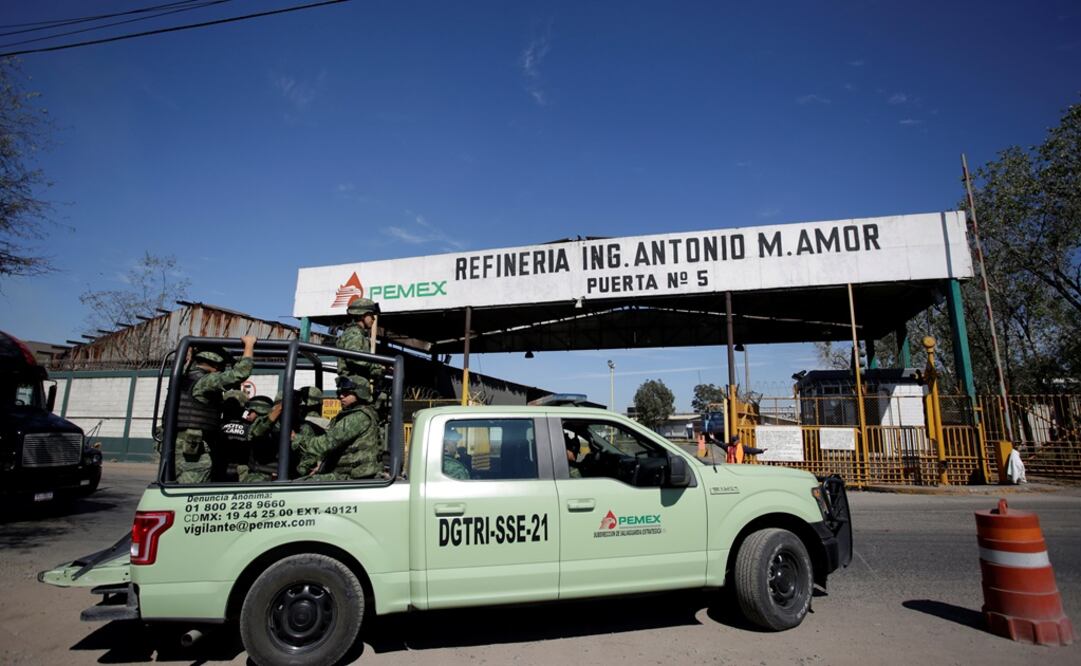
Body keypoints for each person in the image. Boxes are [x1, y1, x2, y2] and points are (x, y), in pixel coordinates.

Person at [173, 335, 256, 484]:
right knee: (192, 494)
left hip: (185, 444)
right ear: (216, 365)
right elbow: (241, 373)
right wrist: (249, 344)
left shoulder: (187, 377)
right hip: (192, 450)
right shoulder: (206, 380)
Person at [300, 376, 382, 481]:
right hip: (351, 476)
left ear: (360, 393)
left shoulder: (358, 417)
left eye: (347, 393)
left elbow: (326, 442)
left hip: (353, 478)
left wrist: (297, 439)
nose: (341, 396)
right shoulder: (360, 413)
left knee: (303, 484)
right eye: (340, 393)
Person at [337, 298, 384, 390]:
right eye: (371, 315)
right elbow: (355, 358)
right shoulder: (355, 333)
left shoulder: (355, 332)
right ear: (362, 316)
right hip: (353, 387)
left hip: (355, 385)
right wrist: (379, 366)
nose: (373, 319)